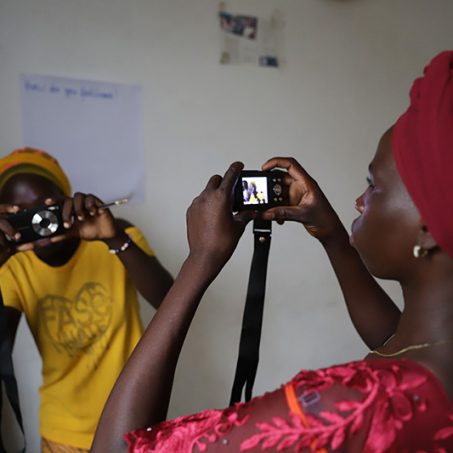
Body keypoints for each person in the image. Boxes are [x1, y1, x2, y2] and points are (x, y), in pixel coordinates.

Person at [91, 50, 453, 452]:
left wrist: (200, 261)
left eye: (374, 185)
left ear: (427, 226)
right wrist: (330, 232)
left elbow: (116, 447)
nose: (359, 201)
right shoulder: (435, 352)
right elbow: (392, 339)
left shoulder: (350, 408)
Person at [0, 148, 174, 452]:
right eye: (24, 216)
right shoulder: (15, 267)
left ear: (66, 199)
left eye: (47, 208)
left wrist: (115, 239)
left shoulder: (116, 236)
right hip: (62, 434)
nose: (40, 222)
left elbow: (169, 301)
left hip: (133, 422)